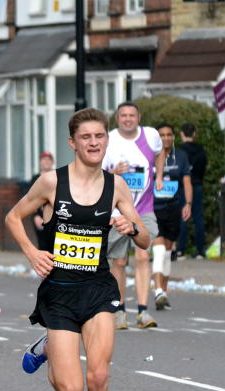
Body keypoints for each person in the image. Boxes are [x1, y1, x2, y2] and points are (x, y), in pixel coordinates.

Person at [5, 107, 150, 391]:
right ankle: (47, 346)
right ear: (73, 142)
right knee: (70, 389)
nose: (94, 143)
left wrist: (131, 226)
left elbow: (145, 238)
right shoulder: (51, 183)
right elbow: (13, 217)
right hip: (59, 293)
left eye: (100, 136)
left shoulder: (116, 186)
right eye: (86, 137)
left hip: (98, 289)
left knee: (99, 376)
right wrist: (32, 252)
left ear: (107, 139)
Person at [102, 101, 164, 329]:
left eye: (131, 115)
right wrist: (113, 172)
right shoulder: (108, 140)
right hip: (117, 210)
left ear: (139, 117)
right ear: (117, 118)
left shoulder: (151, 135)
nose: (127, 119)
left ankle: (143, 312)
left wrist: (159, 176)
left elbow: (160, 153)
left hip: (143, 208)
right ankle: (119, 311)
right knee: (118, 261)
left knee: (142, 256)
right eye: (123, 116)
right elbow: (96, 174)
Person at [152, 123, 192, 310]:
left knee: (168, 251)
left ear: (173, 137)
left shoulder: (181, 156)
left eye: (169, 135)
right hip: (154, 208)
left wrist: (188, 204)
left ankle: (164, 292)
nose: (166, 138)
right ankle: (157, 290)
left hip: (174, 208)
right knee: (159, 250)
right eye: (162, 135)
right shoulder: (150, 155)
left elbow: (187, 182)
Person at [176, 122, 208, 259]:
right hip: (198, 185)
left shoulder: (179, 151)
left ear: (182, 134)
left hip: (183, 187)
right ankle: (200, 250)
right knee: (198, 218)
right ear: (194, 134)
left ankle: (180, 250)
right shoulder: (201, 150)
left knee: (182, 218)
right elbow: (203, 167)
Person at [30, 152, 55, 247]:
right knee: (42, 243)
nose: (46, 162)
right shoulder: (35, 178)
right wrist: (36, 216)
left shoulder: (56, 176)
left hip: (54, 214)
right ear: (40, 162)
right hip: (39, 213)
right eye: (44, 159)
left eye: (48, 160)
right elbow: (31, 198)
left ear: (52, 162)